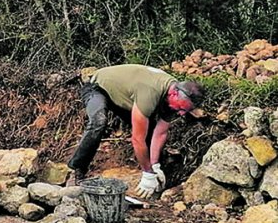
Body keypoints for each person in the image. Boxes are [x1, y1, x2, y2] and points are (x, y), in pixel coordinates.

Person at [66, 64, 205, 198]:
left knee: (149, 128)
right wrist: (148, 173)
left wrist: (155, 165)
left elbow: (160, 133)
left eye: (184, 111)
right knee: (99, 122)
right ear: (174, 94)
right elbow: (137, 139)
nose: (181, 114)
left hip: (124, 95)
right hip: (97, 87)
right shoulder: (150, 93)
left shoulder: (175, 97)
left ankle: (153, 169)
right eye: (181, 108)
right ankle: (75, 169)